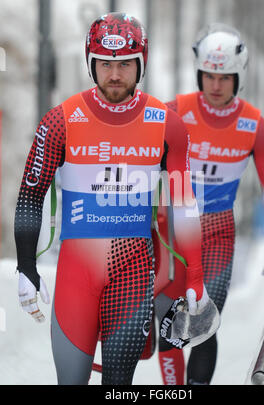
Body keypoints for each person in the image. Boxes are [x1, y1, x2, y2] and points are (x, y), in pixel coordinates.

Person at [14, 12, 212, 385]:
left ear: (141, 66)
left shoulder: (167, 124)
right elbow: (30, 194)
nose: (115, 75)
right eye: (105, 64)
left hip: (133, 274)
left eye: (125, 64)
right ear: (92, 65)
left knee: (119, 387)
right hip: (77, 275)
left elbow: (185, 202)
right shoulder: (60, 121)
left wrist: (196, 276)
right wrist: (26, 265)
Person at [155, 22, 264, 385]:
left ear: (238, 76)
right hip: (171, 228)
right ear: (198, 73)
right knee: (168, 322)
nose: (216, 86)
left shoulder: (256, 127)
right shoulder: (172, 111)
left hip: (217, 231)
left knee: (202, 321)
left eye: (225, 77)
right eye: (209, 76)